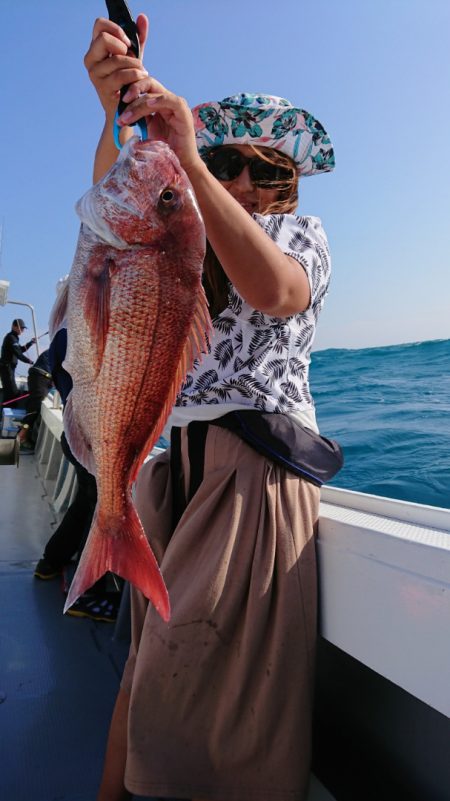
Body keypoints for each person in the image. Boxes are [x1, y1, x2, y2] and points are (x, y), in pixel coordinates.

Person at [85, 13, 335, 801]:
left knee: (218, 718)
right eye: (230, 163)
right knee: (143, 674)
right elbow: (113, 211)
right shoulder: (177, 232)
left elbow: (274, 291)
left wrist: (187, 156)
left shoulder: (301, 236)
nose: (253, 186)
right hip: (169, 475)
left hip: (250, 484)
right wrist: (117, 110)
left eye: (274, 174)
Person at [34, 325, 122, 623]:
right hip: (92, 438)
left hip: (75, 436)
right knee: (101, 510)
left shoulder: (63, 336)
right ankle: (87, 593)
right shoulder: (84, 335)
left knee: (86, 504)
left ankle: (51, 562)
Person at [19, 348, 53, 449]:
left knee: (33, 404)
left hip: (41, 376)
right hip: (41, 376)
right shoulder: (66, 347)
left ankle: (24, 433)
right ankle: (22, 435)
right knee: (35, 406)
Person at [0, 318, 36, 406]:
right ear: (14, 327)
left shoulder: (14, 338)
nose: (22, 330)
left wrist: (30, 343)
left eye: (23, 328)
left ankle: (7, 414)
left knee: (10, 393)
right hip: (6, 369)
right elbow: (19, 354)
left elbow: (20, 350)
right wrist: (31, 362)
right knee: (12, 393)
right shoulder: (11, 338)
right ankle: (7, 415)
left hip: (9, 369)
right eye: (21, 328)